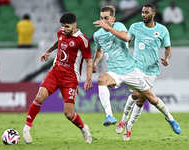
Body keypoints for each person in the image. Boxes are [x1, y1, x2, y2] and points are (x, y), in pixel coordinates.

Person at [93, 5, 181, 139]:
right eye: (142, 12)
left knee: (144, 100)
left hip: (150, 70)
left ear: (153, 14)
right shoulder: (134, 27)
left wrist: (167, 58)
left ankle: (169, 118)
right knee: (131, 93)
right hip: (134, 67)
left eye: (146, 12)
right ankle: (117, 118)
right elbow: (125, 40)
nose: (143, 14)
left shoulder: (162, 30)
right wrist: (95, 63)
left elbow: (167, 48)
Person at [23, 12, 93, 144]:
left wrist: (88, 78)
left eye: (67, 26)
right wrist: (48, 51)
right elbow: (59, 42)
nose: (64, 29)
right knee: (39, 96)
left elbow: (89, 61)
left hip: (70, 79)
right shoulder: (61, 33)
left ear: (74, 25)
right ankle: (26, 128)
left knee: (68, 114)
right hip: (55, 72)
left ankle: (84, 129)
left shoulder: (82, 40)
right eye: (62, 26)